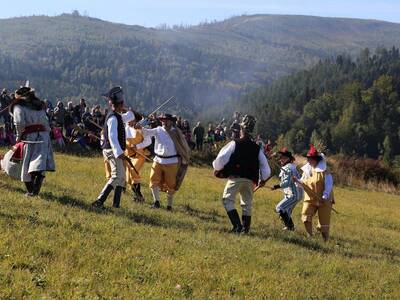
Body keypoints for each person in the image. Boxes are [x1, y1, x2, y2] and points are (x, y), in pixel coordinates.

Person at [213, 115, 271, 234]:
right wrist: (263, 179)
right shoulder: (257, 148)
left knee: (227, 200)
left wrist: (217, 168)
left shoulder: (234, 143)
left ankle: (237, 226)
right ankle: (245, 229)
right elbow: (266, 169)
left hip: (235, 178)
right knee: (247, 204)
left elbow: (220, 160)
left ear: (241, 130)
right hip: (250, 181)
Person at [136, 113, 191, 211]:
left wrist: (184, 157)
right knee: (153, 180)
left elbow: (183, 146)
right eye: (162, 120)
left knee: (171, 185)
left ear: (171, 121)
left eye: (166, 120)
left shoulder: (176, 132)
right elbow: (147, 132)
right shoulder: (158, 130)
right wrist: (139, 127)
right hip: (157, 160)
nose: (164, 122)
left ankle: (169, 206)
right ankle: (156, 202)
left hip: (172, 161)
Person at [10, 87, 55, 196]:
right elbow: (45, 122)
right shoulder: (39, 105)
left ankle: (31, 192)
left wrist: (18, 137)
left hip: (30, 137)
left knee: (27, 164)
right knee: (38, 164)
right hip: (43, 136)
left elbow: (20, 124)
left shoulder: (18, 106)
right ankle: (34, 191)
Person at [92, 87, 128, 209]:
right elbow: (112, 137)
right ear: (120, 104)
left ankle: (116, 205)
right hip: (113, 151)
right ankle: (98, 201)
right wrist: (118, 152)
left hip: (114, 150)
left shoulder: (116, 116)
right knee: (116, 176)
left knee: (122, 178)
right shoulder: (113, 117)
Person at [293, 144, 334, 241]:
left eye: (310, 159)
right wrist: (297, 181)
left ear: (316, 160)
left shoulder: (325, 172)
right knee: (305, 215)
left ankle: (325, 241)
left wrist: (325, 196)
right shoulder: (307, 170)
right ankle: (309, 236)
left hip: (324, 199)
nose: (308, 161)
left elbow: (328, 185)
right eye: (308, 159)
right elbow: (302, 182)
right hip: (310, 198)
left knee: (323, 225)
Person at [271, 148, 303, 231]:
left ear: (288, 158)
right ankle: (290, 227)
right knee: (286, 212)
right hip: (295, 194)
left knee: (279, 208)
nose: (280, 159)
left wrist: (276, 186)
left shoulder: (288, 168)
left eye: (283, 157)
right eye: (280, 157)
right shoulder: (290, 166)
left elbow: (287, 183)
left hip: (293, 195)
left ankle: (290, 227)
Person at [123, 111, 152, 202]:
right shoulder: (125, 128)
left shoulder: (141, 128)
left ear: (134, 120)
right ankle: (137, 196)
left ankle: (139, 196)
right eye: (126, 120)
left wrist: (137, 146)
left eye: (129, 120)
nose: (127, 122)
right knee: (128, 178)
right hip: (128, 155)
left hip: (139, 155)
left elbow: (149, 141)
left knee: (133, 171)